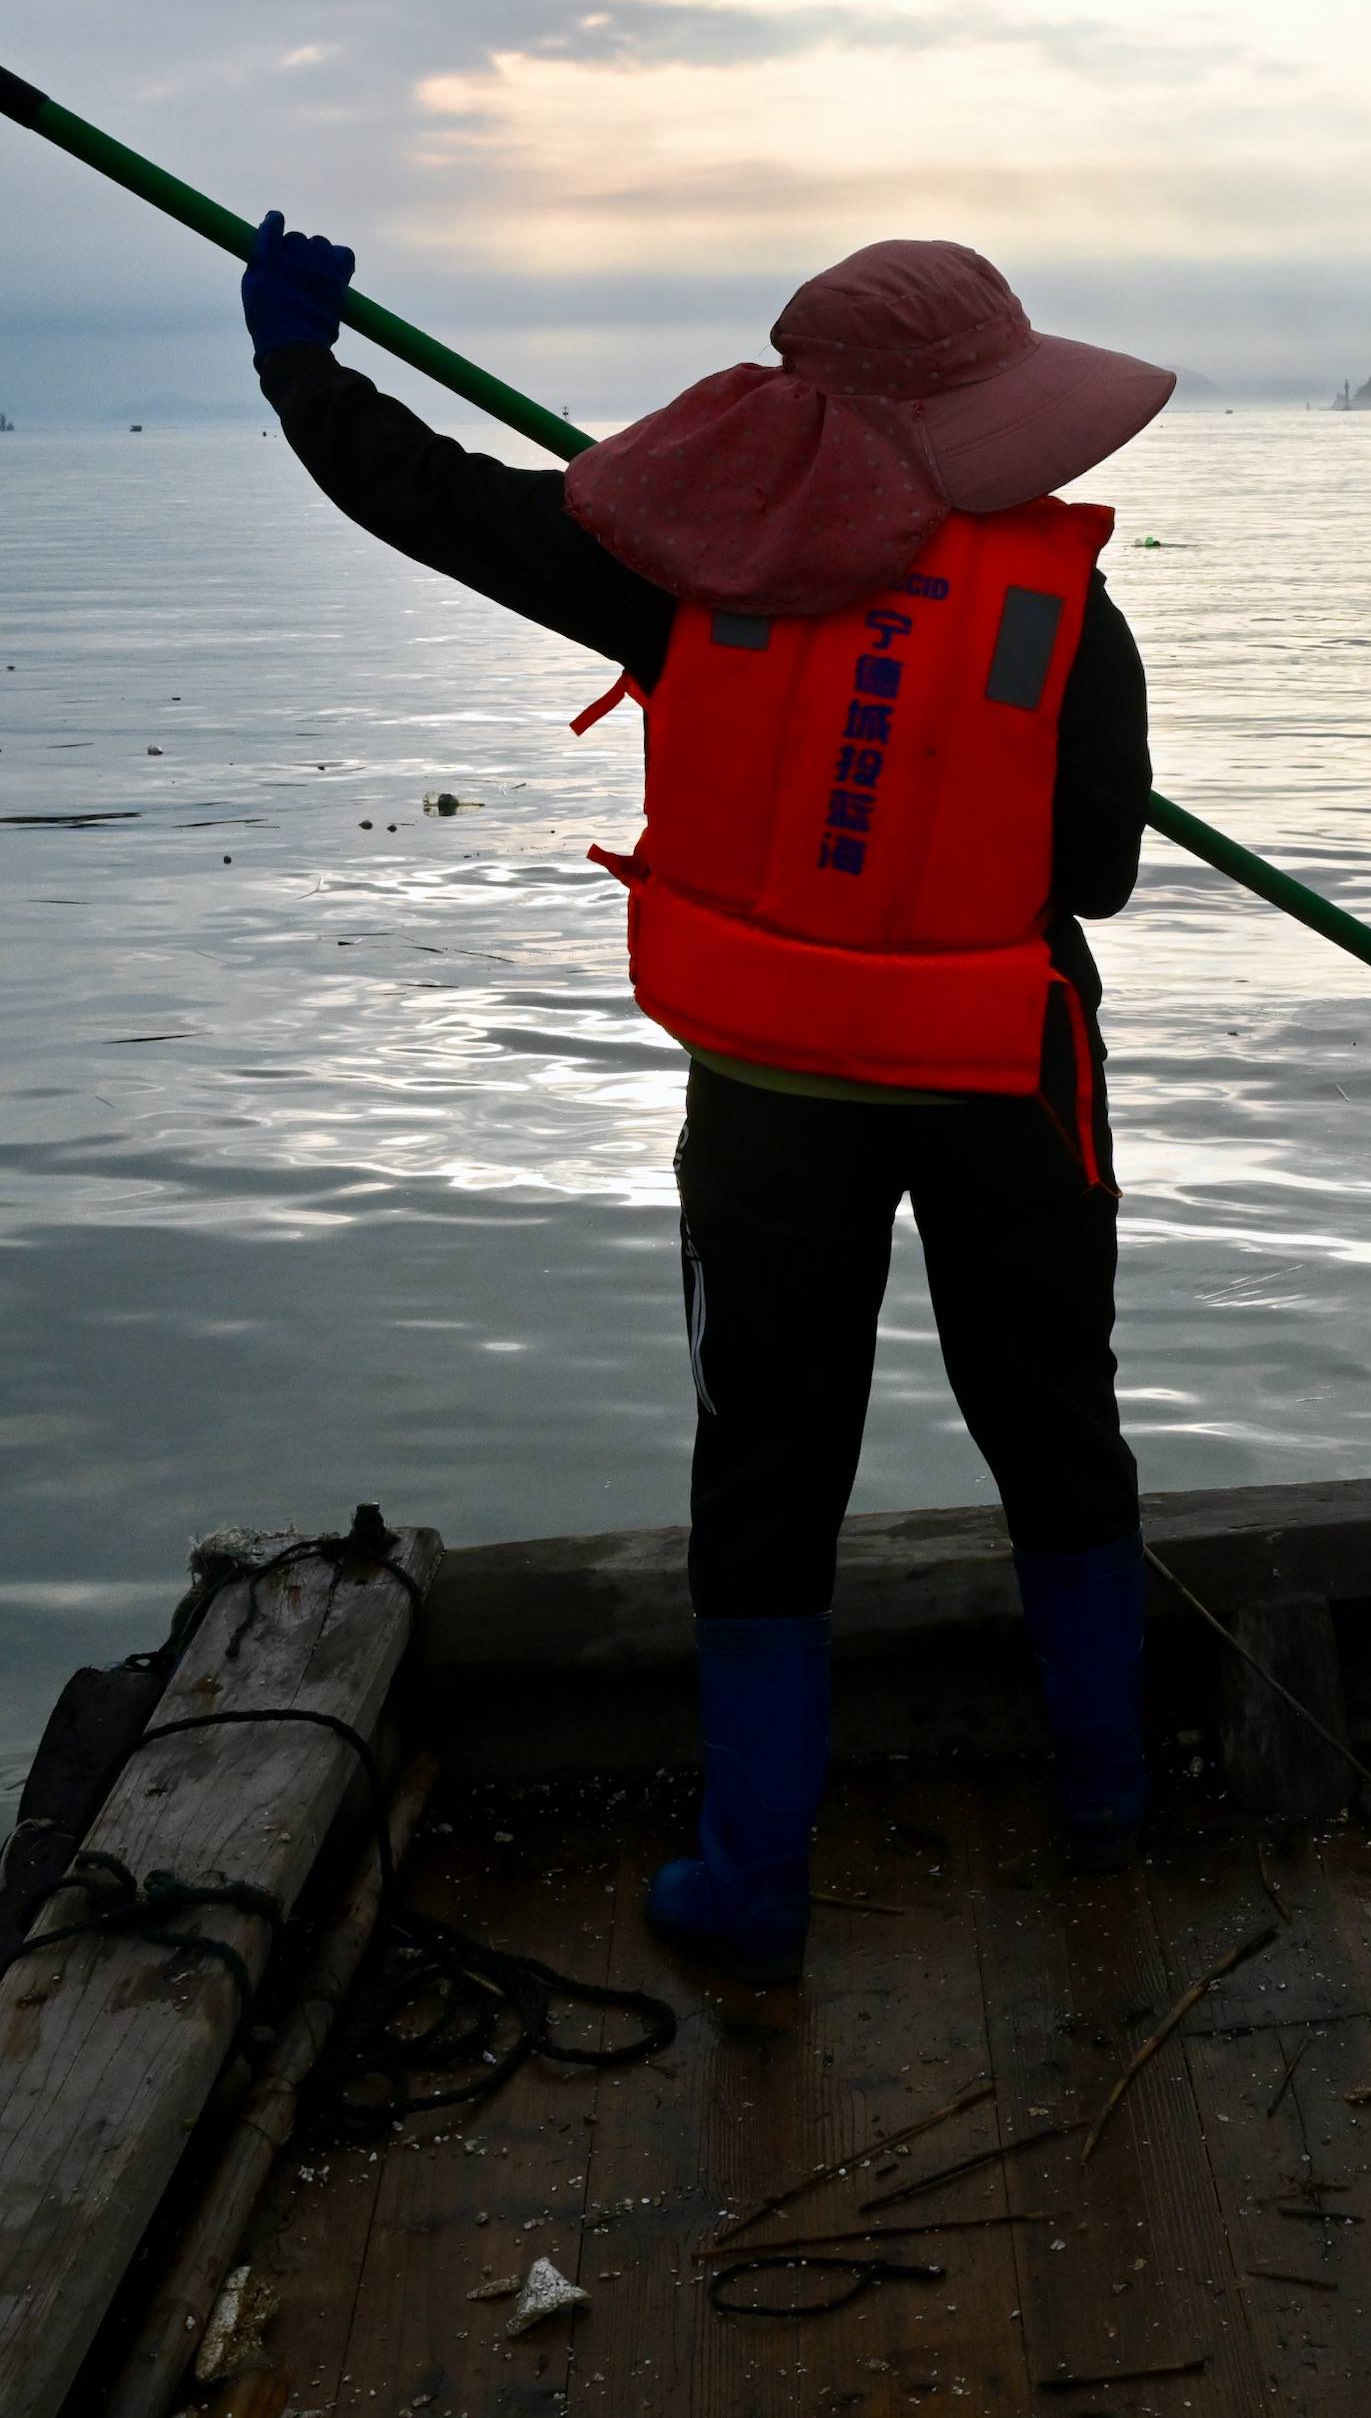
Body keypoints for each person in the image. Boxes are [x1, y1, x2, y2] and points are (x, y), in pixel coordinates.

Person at [241, 215, 1170, 1987]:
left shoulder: (677, 567)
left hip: (772, 1098)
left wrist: (301, 365)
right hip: (1003, 1080)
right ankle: (1108, 1800)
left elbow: (432, 499)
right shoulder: (1069, 608)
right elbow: (1101, 874)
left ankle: (754, 1878)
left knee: (769, 1466)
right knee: (1054, 1424)